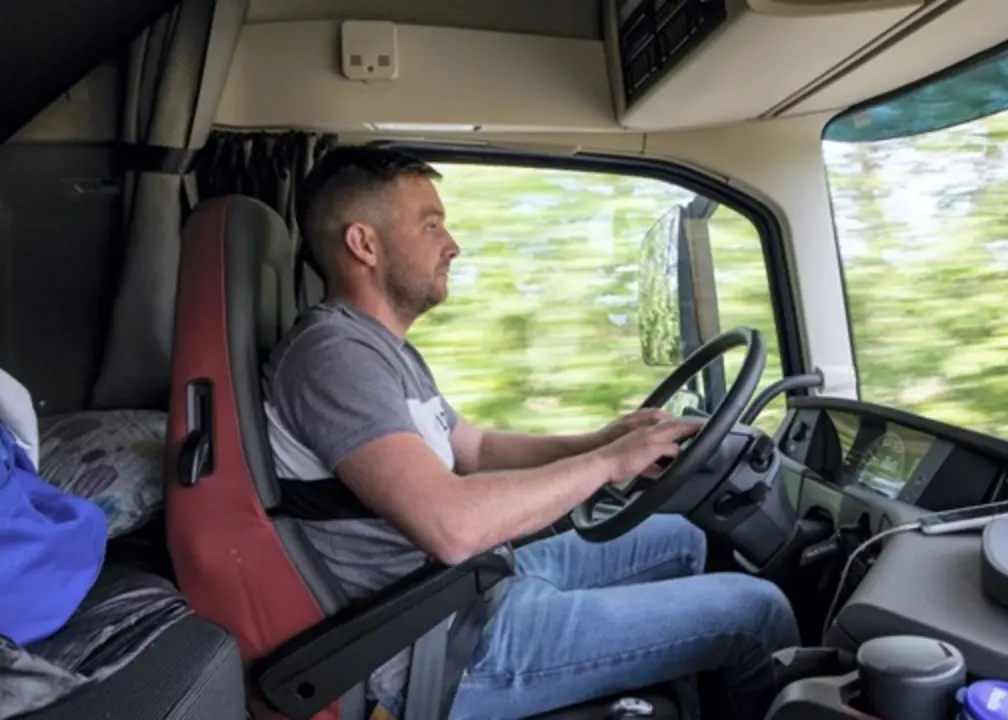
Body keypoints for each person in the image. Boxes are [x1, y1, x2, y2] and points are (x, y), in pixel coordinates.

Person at [263, 145, 800, 720]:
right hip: (438, 645)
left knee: (681, 538)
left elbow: (474, 448)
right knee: (757, 610)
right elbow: (452, 526)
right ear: (364, 244)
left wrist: (601, 439)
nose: (453, 244)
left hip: (474, 586)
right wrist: (608, 465)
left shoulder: (381, 348)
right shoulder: (332, 357)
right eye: (431, 224)